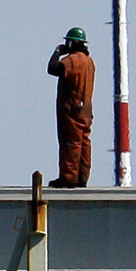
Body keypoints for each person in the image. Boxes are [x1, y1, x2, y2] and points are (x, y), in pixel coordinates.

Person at [47, 28, 97, 189]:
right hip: (85, 109)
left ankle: (68, 178)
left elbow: (53, 69)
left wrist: (57, 52)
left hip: (71, 108)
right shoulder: (89, 61)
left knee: (71, 142)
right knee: (84, 141)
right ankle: (82, 177)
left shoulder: (72, 61)